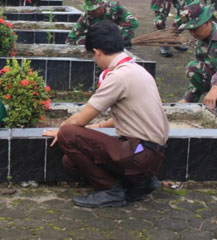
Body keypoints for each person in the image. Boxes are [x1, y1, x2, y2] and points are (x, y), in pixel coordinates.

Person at [44, 20, 169, 208]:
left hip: (140, 153)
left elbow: (82, 118)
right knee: (70, 162)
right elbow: (132, 115)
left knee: (68, 134)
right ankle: (141, 182)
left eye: (93, 56)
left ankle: (110, 191)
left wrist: (61, 130)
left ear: (97, 52)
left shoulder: (118, 77)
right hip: (150, 153)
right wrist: (99, 127)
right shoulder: (137, 70)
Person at [66, 0, 138, 46]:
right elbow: (71, 37)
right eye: (88, 10)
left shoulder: (115, 9)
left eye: (93, 10)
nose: (90, 12)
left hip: (120, 42)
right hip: (99, 45)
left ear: (101, 6)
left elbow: (133, 22)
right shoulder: (86, 17)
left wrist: (113, 36)